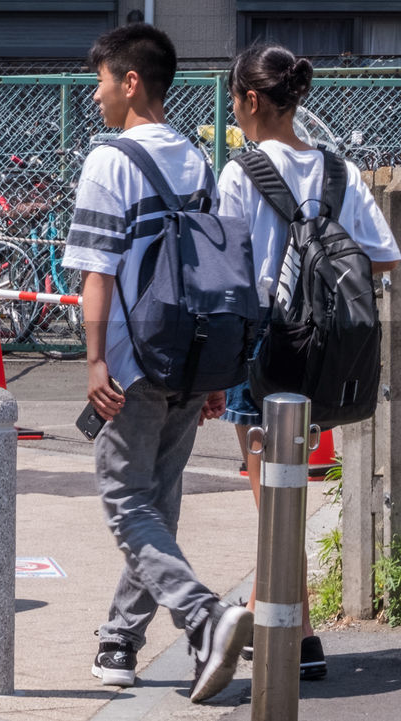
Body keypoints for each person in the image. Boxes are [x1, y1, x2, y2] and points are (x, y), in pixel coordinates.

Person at [62, 24, 253, 703]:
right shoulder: (196, 161)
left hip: (130, 360)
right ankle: (121, 639)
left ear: (131, 82)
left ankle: (203, 615)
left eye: (102, 80)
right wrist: (212, 374)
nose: (96, 95)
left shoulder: (108, 161)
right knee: (157, 503)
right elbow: (212, 268)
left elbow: (96, 273)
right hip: (189, 352)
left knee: (123, 500)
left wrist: (92, 360)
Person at [218, 43, 401, 680]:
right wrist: (322, 254)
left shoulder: (240, 173)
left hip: (263, 352)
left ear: (250, 100)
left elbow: (228, 272)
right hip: (325, 357)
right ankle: (286, 628)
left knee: (273, 503)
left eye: (236, 101)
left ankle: (287, 634)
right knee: (285, 500)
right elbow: (382, 255)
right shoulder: (339, 171)